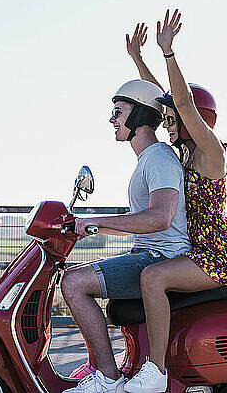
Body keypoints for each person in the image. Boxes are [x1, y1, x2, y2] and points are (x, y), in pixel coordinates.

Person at [122, 10, 227, 393]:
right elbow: (167, 101)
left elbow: (182, 101)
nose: (167, 123)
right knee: (145, 271)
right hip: (195, 253)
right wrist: (138, 60)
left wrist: (168, 53)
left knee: (153, 277)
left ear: (195, 119)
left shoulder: (211, 153)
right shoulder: (181, 157)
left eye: (174, 120)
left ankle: (155, 372)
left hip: (217, 255)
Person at [61, 78, 192, 393]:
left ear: (139, 116)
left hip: (161, 257)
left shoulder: (159, 158)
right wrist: (88, 228)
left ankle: (107, 377)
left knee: (73, 283)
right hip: (147, 254)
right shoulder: (148, 159)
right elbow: (141, 220)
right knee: (75, 274)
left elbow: (160, 217)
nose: (112, 119)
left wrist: (96, 221)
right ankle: (104, 370)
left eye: (118, 112)